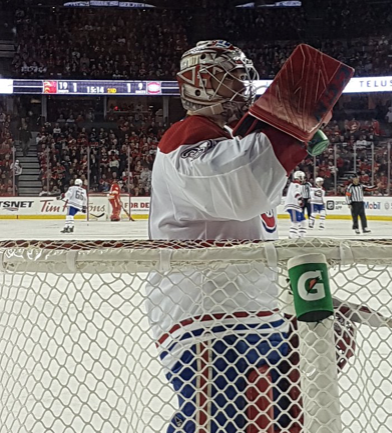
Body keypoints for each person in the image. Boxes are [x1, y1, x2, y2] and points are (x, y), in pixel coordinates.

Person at [147, 40, 347, 432]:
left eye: (243, 76)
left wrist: (294, 140)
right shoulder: (187, 134)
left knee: (269, 420)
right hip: (202, 310)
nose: (244, 85)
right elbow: (241, 192)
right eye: (233, 77)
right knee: (217, 423)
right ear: (202, 83)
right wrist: (291, 131)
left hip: (250, 304)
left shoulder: (226, 138)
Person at [284, 170, 307, 238]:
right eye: (302, 177)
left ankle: (302, 236)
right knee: (295, 222)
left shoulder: (297, 185)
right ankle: (292, 236)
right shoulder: (295, 184)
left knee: (303, 221)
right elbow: (296, 193)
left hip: (296, 207)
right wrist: (300, 200)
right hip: (293, 206)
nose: (303, 178)